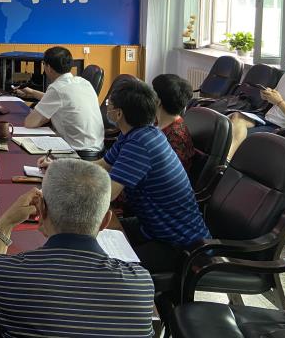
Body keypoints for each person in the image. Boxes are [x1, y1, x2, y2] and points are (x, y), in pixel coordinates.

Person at [0, 159, 154, 337]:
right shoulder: (141, 285)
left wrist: (5, 223)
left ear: (41, 210)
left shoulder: (3, 275)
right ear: (105, 221)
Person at [41, 80, 208, 273]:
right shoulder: (137, 133)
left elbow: (108, 194)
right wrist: (61, 166)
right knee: (84, 235)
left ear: (118, 114)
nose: (107, 108)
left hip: (177, 244)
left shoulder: (141, 144)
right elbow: (102, 165)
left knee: (100, 266)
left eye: (109, 104)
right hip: (151, 227)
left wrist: (57, 190)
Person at [18, 46, 104, 152]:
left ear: (48, 67)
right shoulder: (83, 82)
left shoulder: (57, 88)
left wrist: (45, 116)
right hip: (98, 148)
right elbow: (61, 100)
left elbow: (30, 123)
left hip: (77, 151)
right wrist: (32, 92)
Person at [228, 42, 285, 157]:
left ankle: (226, 159)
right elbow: (275, 97)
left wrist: (280, 102)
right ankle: (226, 159)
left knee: (239, 137)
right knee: (235, 117)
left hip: (284, 128)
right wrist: (267, 95)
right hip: (268, 118)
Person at [151, 73, 195, 173]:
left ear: (158, 101)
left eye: (152, 93)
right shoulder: (158, 121)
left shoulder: (176, 136)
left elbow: (172, 172)